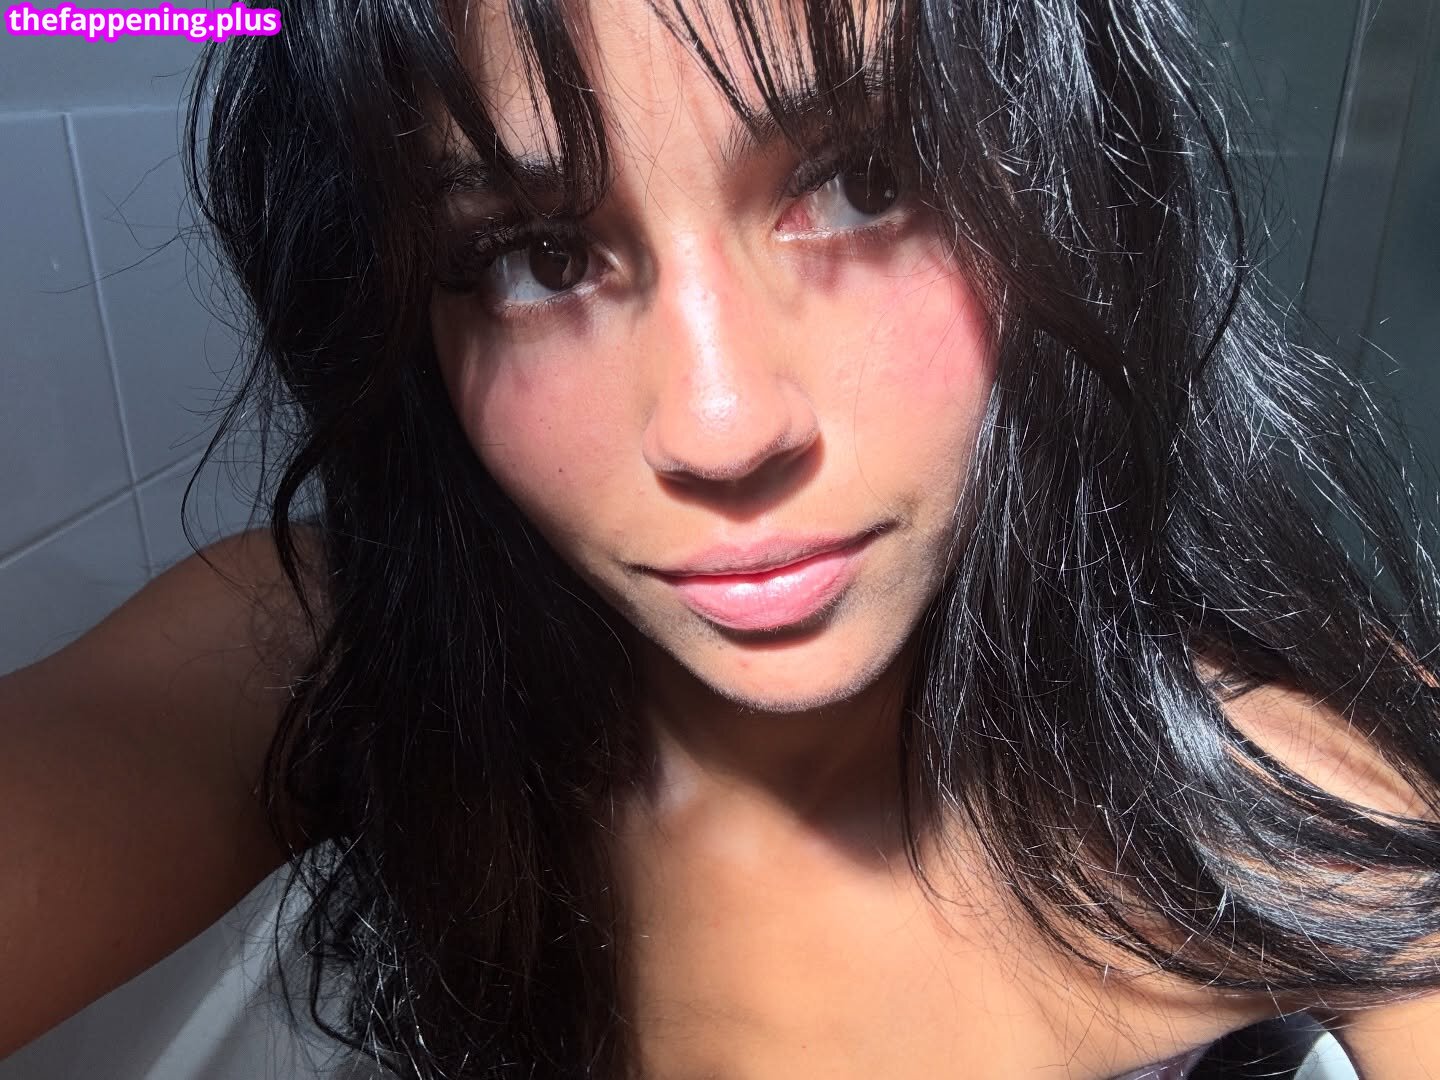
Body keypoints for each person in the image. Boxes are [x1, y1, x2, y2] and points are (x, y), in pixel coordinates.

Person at [3, 0, 1440, 1075]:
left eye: (865, 183)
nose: (721, 423)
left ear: (1059, 180)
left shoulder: (1294, 788)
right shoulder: (359, 649)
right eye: (539, 257)